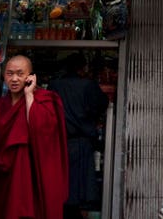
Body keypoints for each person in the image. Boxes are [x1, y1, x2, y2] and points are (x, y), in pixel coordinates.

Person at [0, 55, 70, 219]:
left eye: (20, 73)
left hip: (31, 176)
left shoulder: (45, 100)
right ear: (4, 76)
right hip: (3, 178)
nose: (14, 79)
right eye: (10, 74)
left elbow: (42, 132)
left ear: (31, 76)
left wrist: (30, 95)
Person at [47, 53, 108, 218]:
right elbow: (102, 103)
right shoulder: (88, 85)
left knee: (59, 190)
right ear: (82, 68)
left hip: (58, 145)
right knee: (80, 194)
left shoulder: (54, 85)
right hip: (81, 144)